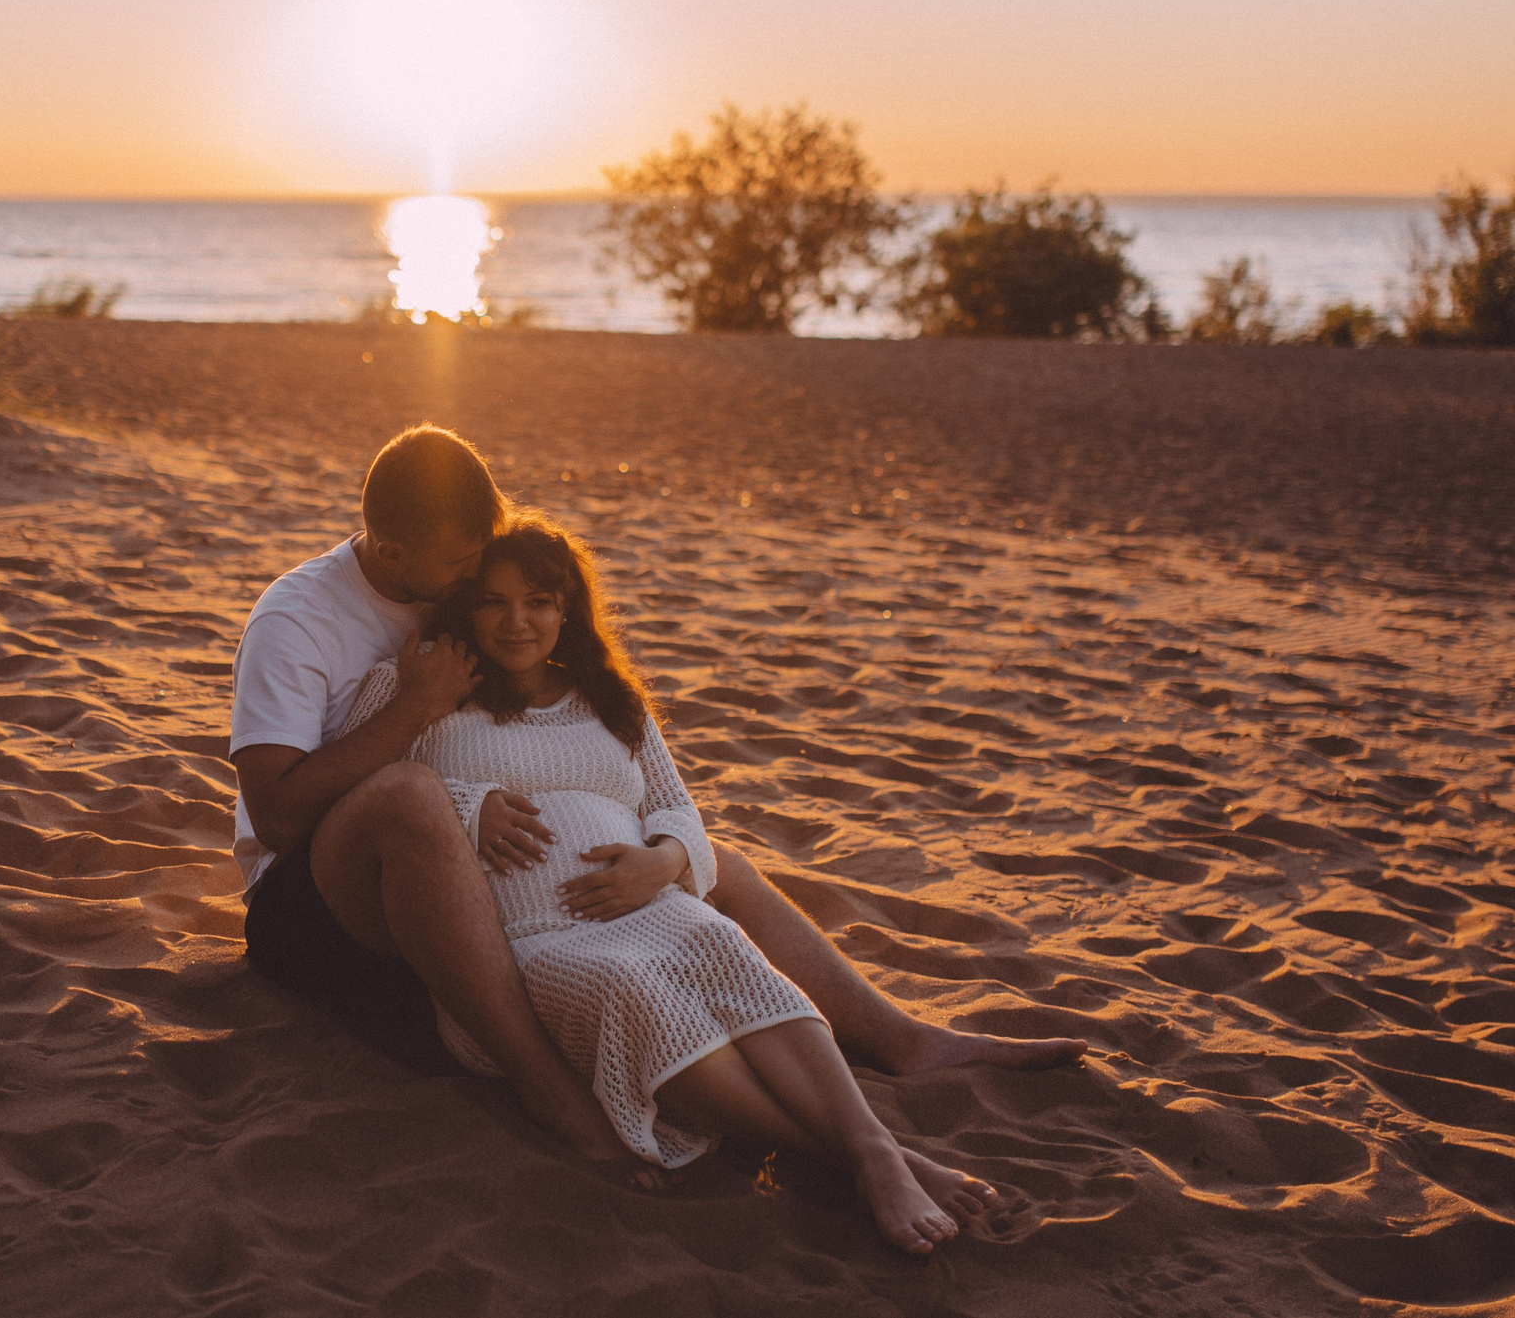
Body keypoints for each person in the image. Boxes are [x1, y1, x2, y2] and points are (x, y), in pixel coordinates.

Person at [227, 426, 1083, 1174]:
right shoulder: (298, 620)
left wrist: (657, 856)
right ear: (389, 545)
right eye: (462, 563)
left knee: (717, 866)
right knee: (414, 796)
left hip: (440, 880)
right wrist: (421, 713)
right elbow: (278, 815)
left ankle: (900, 1038)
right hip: (312, 907)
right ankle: (553, 1093)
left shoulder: (448, 591)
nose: (476, 574)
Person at [355, 512, 1005, 1253]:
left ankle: (872, 1146)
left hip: (650, 907)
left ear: (567, 610)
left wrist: (663, 862)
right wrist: (470, 808)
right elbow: (370, 791)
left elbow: (677, 809)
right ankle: (869, 1153)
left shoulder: (612, 700)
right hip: (530, 942)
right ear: (466, 604)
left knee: (724, 945)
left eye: (537, 600)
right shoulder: (425, 686)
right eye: (494, 600)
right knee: (630, 988)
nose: (516, 620)